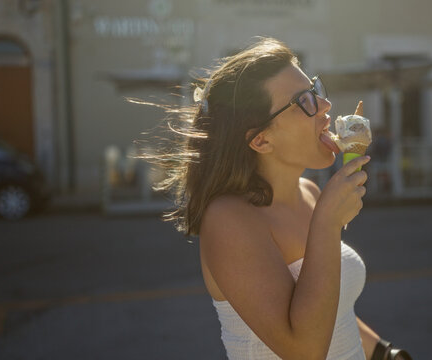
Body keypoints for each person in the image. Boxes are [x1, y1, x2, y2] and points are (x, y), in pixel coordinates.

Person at [148, 37, 410, 360]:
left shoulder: (310, 193)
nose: (325, 106)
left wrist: (386, 353)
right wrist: (326, 223)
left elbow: (329, 307)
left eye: (315, 90)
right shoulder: (228, 220)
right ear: (261, 139)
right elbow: (304, 349)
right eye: (305, 101)